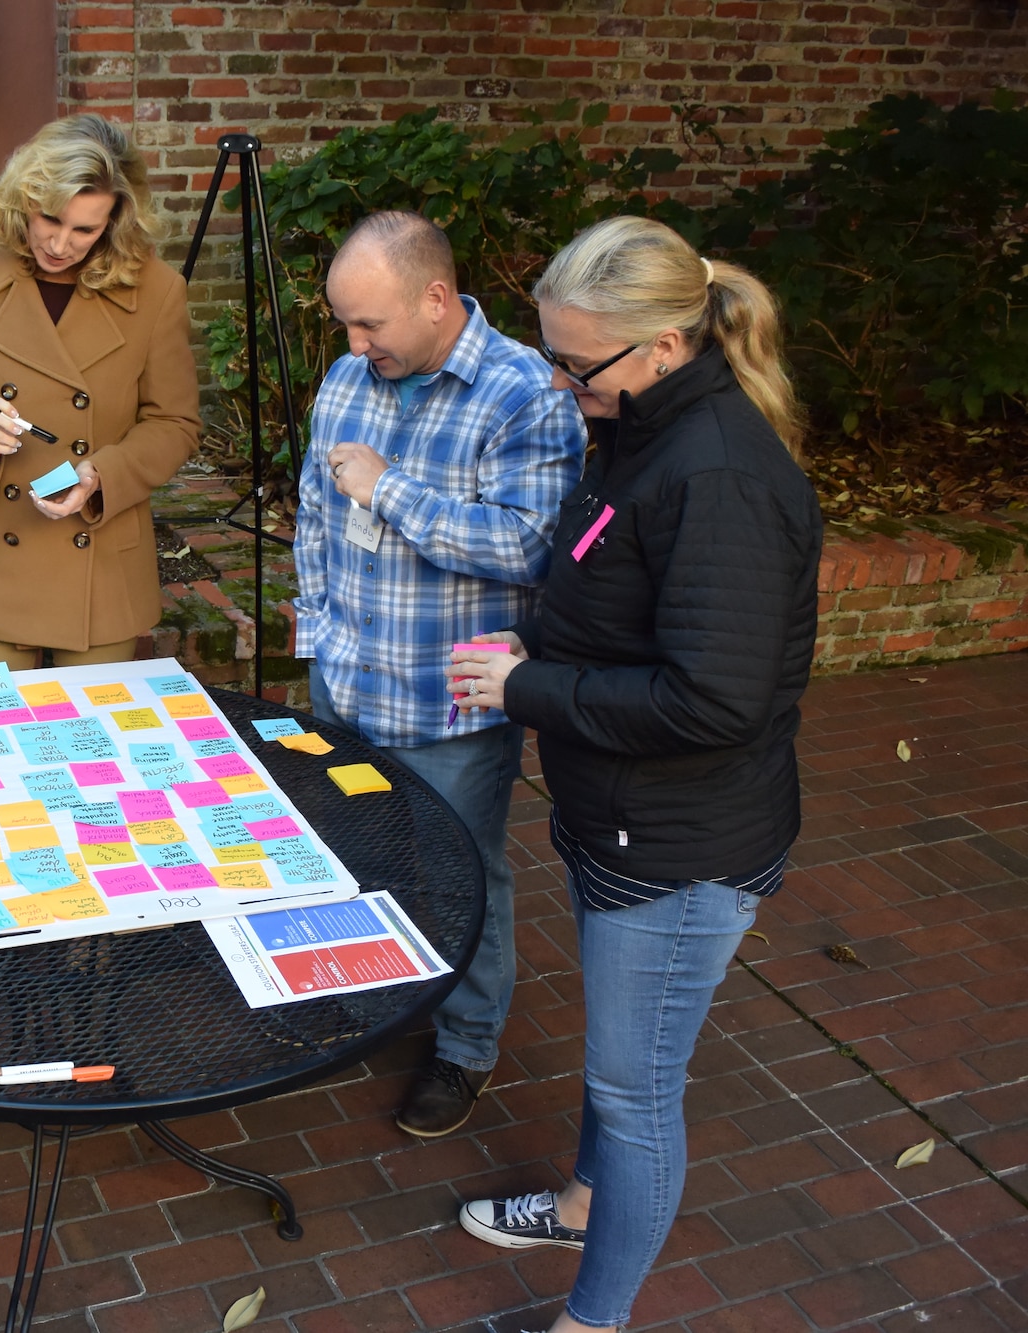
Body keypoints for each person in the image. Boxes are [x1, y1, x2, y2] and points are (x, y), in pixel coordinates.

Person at [449, 216, 821, 1333]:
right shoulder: (644, 429)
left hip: (677, 846)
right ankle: (577, 1204)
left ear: (662, 346)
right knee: (626, 1066)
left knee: (634, 1090)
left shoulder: (717, 477)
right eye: (553, 355)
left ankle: (592, 1321)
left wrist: (526, 691)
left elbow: (713, 699)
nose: (559, 382)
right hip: (623, 819)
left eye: (576, 363)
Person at [292, 212, 586, 1137]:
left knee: (464, 877)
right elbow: (312, 516)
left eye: (370, 323)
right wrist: (319, 638)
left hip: (452, 700)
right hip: (347, 683)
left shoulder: (525, 395)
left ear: (434, 299)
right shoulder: (347, 381)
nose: (354, 343)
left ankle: (463, 1048)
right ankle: (373, 1000)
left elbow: (533, 546)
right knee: (354, 857)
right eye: (344, 323)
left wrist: (391, 489)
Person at [0, 113, 201, 670]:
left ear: (114, 221)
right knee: (0, 739)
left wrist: (101, 476)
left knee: (92, 747)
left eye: (86, 230)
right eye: (50, 219)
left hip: (101, 560)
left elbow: (175, 423)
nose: (61, 245)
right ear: (24, 198)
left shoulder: (158, 292)